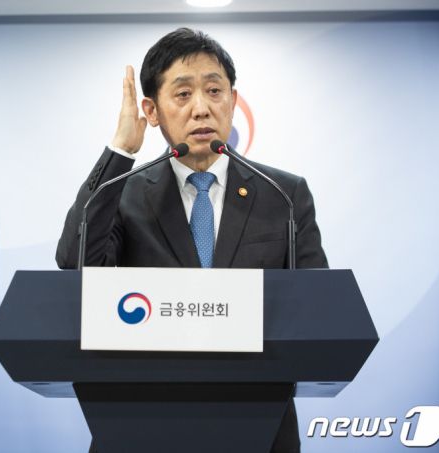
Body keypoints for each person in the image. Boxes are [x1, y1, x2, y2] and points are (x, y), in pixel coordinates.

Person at [56, 28, 328, 452]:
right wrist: (120, 151)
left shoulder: (284, 195)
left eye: (214, 91)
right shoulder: (122, 192)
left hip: (259, 425)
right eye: (182, 94)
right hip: (142, 421)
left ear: (233, 101)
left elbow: (318, 308)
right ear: (151, 110)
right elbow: (76, 263)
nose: (202, 108)